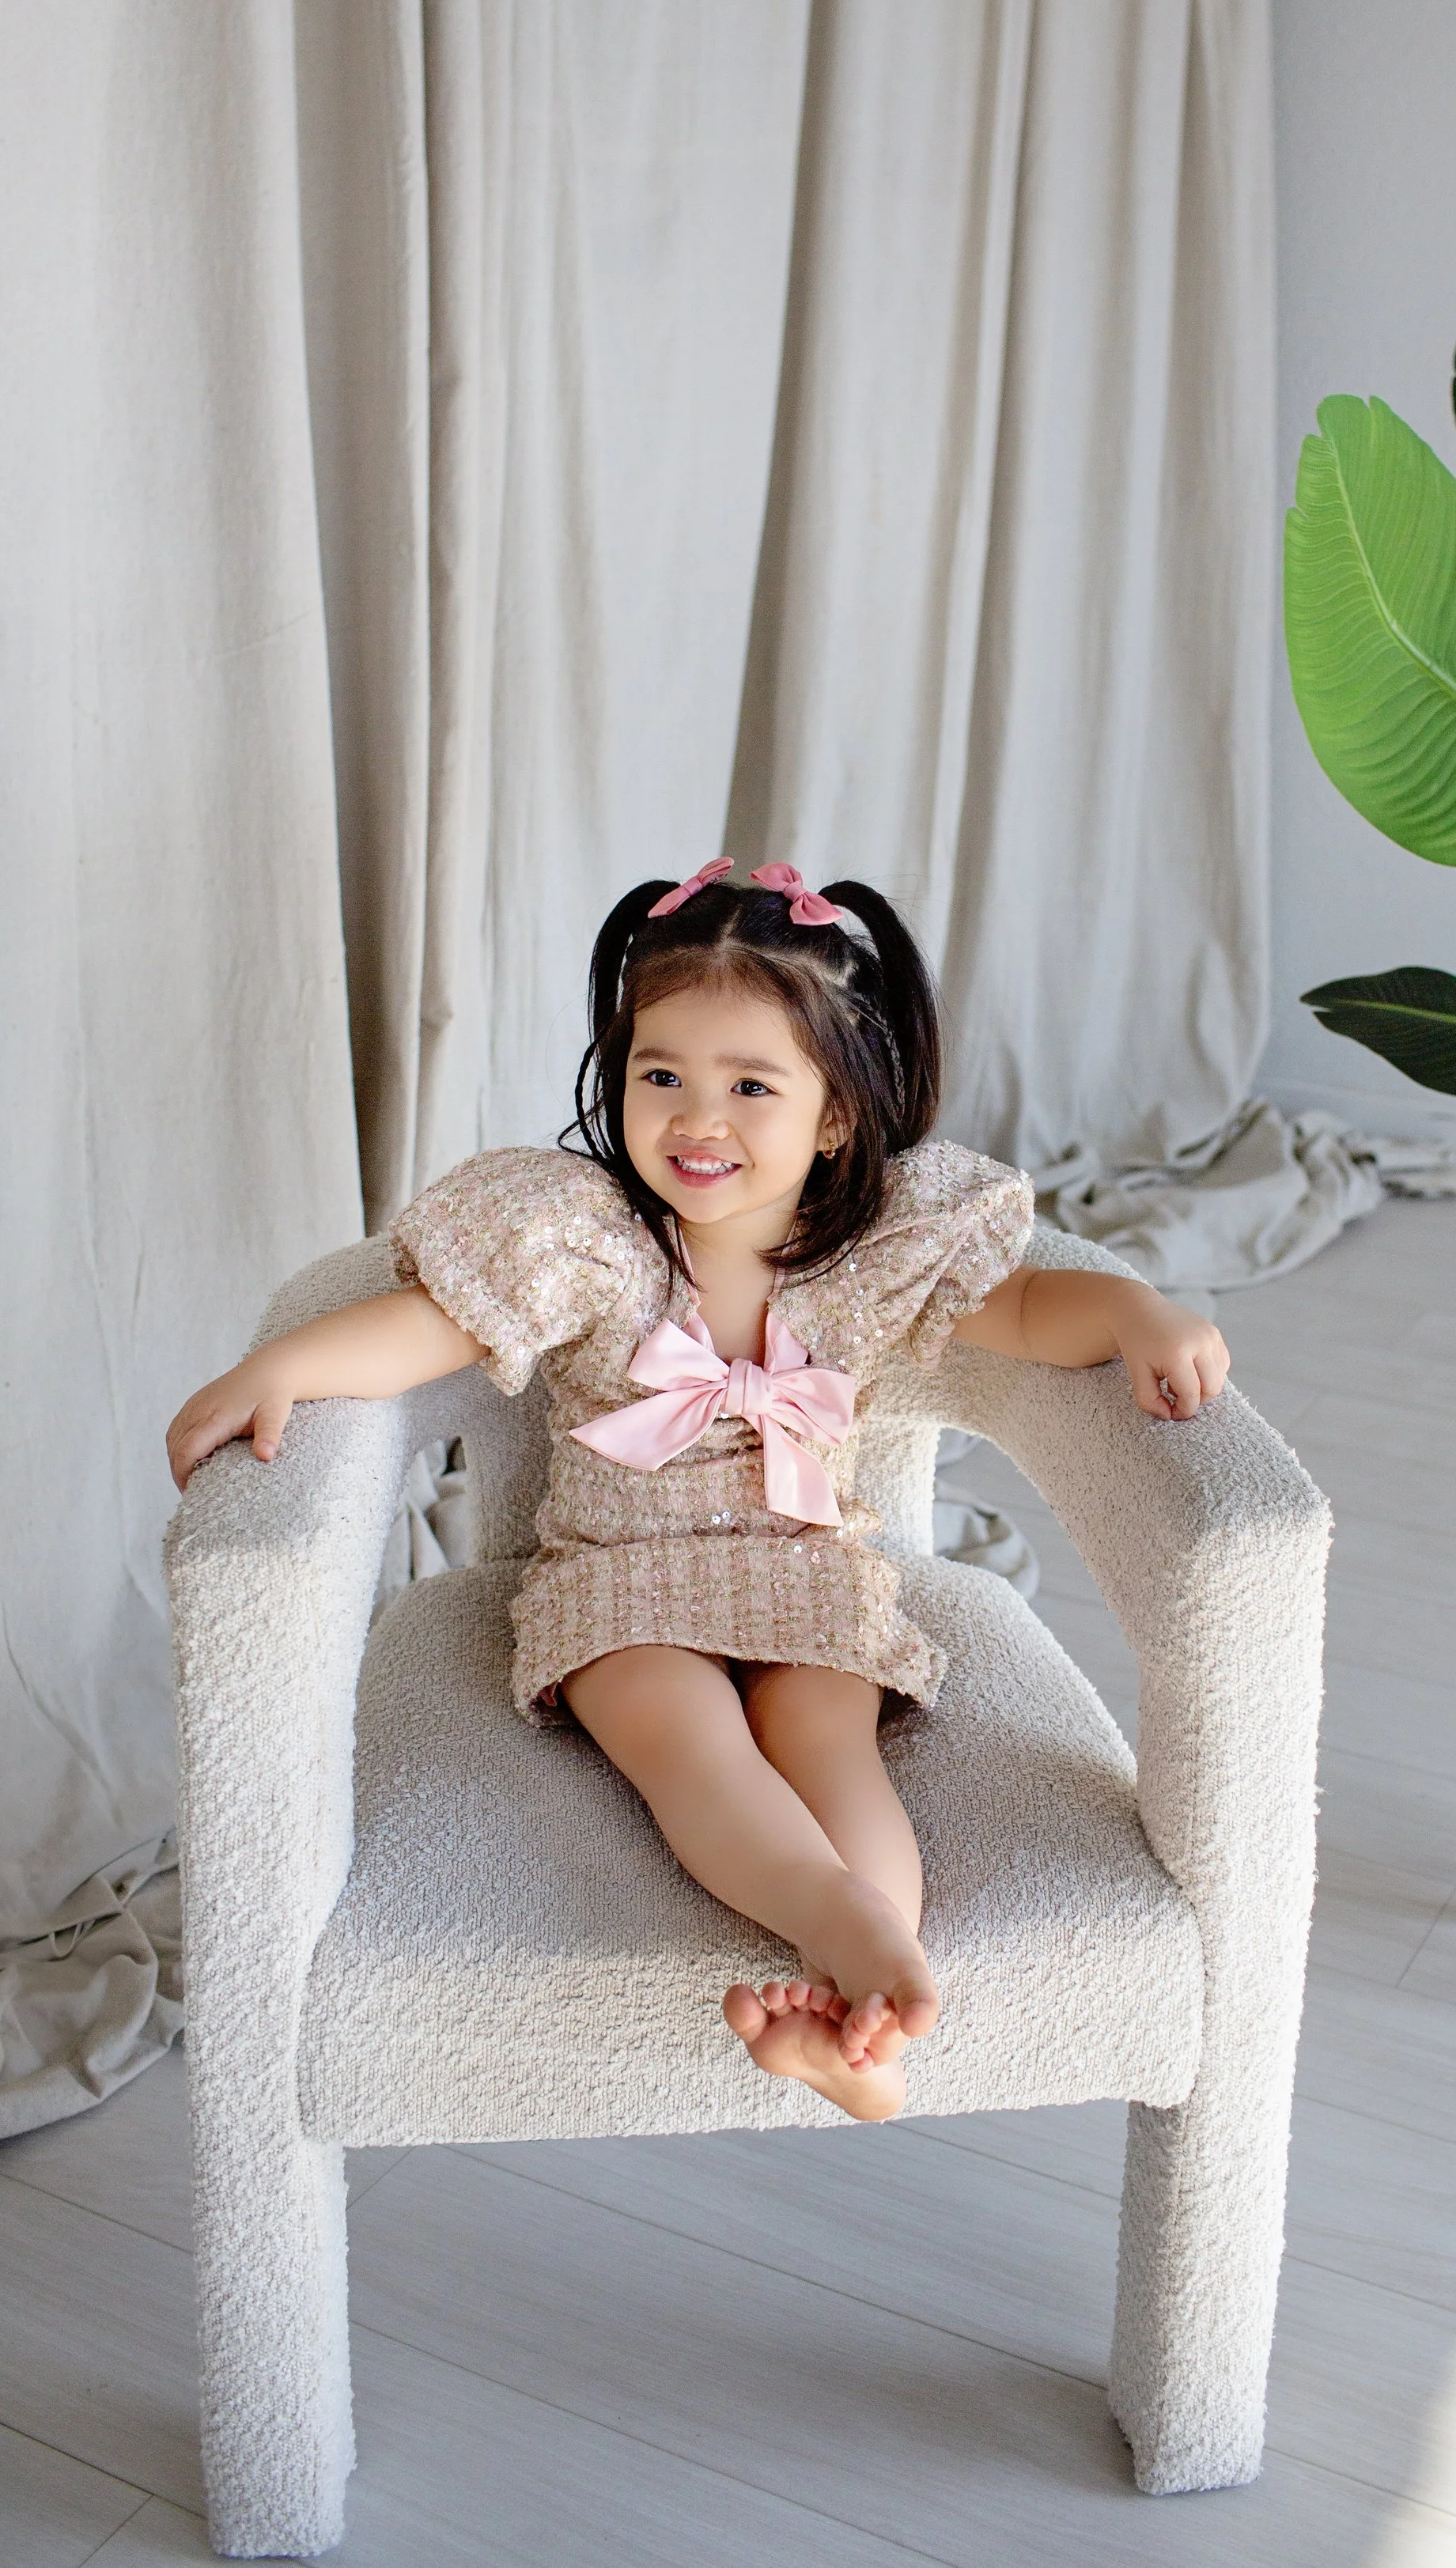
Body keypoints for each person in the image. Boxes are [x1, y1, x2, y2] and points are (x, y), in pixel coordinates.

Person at [168, 861, 1229, 2120]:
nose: (696, 1119)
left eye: (750, 1086)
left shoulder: (877, 1245)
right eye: (660, 1074)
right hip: (624, 1580)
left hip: (805, 1564)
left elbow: (1033, 1305)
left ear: (836, 1114)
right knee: (689, 1746)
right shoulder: (591, 1239)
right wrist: (284, 1363)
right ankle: (842, 1922)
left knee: (828, 1738)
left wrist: (1138, 1311)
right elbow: (429, 1327)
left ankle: (865, 2021)